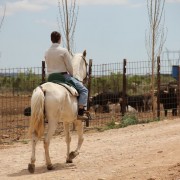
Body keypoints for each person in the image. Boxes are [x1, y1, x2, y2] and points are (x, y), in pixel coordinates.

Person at [45, 31, 88, 119]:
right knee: (84, 90)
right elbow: (69, 67)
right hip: (63, 77)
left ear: (51, 40)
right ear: (60, 39)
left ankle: (42, 111)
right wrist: (72, 75)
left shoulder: (46, 52)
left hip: (50, 78)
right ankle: (80, 112)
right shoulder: (64, 51)